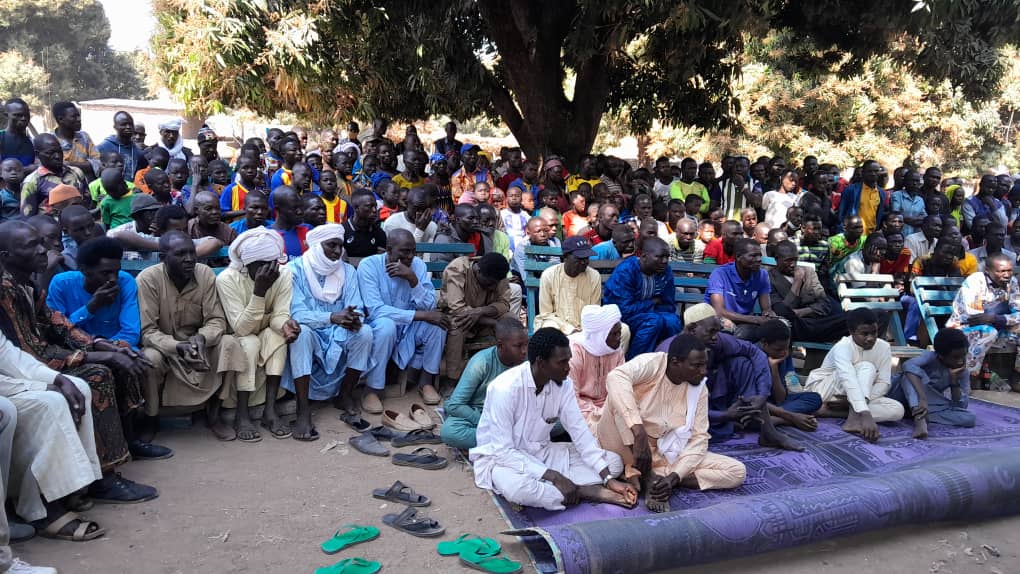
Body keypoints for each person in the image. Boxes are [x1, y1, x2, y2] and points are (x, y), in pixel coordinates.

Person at [0, 221, 160, 502]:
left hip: (37, 361)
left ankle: (121, 450)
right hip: (16, 373)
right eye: (31, 246)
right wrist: (97, 354)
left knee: (119, 359)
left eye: (41, 242)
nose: (43, 250)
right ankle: (104, 479)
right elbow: (29, 350)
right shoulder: (5, 292)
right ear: (6, 256)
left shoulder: (27, 286)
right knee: (98, 374)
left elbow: (58, 325)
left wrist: (103, 344)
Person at [470, 328, 636, 511]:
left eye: (569, 360)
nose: (568, 367)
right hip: (503, 460)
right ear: (541, 363)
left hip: (543, 453)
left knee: (613, 463)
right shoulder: (504, 389)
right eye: (562, 362)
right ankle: (585, 491)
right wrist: (555, 477)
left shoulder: (564, 386)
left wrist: (608, 479)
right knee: (518, 489)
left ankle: (563, 489)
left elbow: (579, 432)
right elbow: (503, 451)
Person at [596, 333, 746, 513]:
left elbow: (699, 438)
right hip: (625, 441)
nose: (704, 371)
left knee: (737, 471)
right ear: (675, 363)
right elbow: (615, 377)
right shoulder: (653, 364)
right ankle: (646, 475)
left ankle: (654, 480)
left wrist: (675, 477)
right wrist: (638, 431)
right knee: (617, 401)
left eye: (705, 364)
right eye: (697, 366)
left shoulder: (699, 389)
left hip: (664, 451)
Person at [136, 231, 245, 441]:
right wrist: (177, 346)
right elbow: (147, 331)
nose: (188, 259)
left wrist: (202, 338)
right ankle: (151, 417)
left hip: (200, 347)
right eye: (180, 254)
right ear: (163, 258)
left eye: (191, 253)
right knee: (149, 358)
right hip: (167, 350)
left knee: (229, 343)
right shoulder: (148, 279)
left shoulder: (204, 274)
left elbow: (216, 320)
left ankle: (214, 414)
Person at [280, 224, 372, 441]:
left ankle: (345, 395)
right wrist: (331, 317)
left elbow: (356, 306)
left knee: (365, 333)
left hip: (339, 330)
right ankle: (303, 410)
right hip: (311, 330)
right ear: (316, 245)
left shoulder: (347, 271)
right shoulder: (294, 270)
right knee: (301, 335)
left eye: (340, 246)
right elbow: (297, 313)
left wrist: (354, 319)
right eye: (331, 245)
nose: (337, 251)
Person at [672, 304, 803, 450]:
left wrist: (762, 395)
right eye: (711, 332)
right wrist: (724, 416)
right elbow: (678, 408)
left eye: (717, 331)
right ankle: (741, 419)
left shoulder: (717, 341)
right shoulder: (672, 355)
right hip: (688, 410)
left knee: (742, 363)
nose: (716, 337)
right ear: (691, 329)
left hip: (715, 396)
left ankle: (767, 430)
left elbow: (755, 352)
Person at [216, 227, 301, 442]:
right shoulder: (227, 279)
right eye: (261, 266)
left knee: (278, 336)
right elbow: (241, 329)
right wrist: (259, 292)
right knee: (250, 342)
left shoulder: (283, 273)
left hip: (265, 330)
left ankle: (270, 411)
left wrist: (286, 325)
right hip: (237, 337)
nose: (269, 270)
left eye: (272, 263)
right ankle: (242, 414)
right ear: (247, 264)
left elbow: (279, 314)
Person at [358, 229, 448, 411]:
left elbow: (429, 306)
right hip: (379, 327)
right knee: (386, 326)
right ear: (389, 250)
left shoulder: (418, 266)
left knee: (438, 325)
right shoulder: (369, 266)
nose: (410, 256)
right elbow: (376, 311)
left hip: (408, 329)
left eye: (413, 251)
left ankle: (426, 381)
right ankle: (372, 390)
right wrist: (421, 316)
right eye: (405, 252)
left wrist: (412, 279)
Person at [804, 308, 905, 442]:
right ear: (851, 332)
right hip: (826, 390)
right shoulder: (843, 346)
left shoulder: (884, 347)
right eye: (864, 334)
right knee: (867, 367)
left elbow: (883, 383)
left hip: (851, 398)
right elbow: (848, 379)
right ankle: (853, 419)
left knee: (897, 410)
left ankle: (831, 412)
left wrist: (859, 403)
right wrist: (864, 411)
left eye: (874, 332)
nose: (870, 338)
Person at [440, 317, 525, 450]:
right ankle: (515, 441)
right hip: (483, 415)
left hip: (516, 416)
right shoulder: (481, 362)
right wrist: (484, 422)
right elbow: (454, 404)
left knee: (559, 422)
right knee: (450, 432)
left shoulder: (527, 362)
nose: (524, 351)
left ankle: (505, 441)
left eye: (526, 345)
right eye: (518, 346)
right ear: (500, 345)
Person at [946, 253, 1020, 391]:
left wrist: (996, 318)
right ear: (988, 271)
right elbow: (975, 317)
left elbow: (1018, 311)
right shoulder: (975, 281)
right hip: (962, 328)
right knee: (988, 332)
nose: (1007, 275)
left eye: (1009, 270)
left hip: (997, 328)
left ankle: (1017, 376)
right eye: (1002, 271)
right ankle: (969, 377)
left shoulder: (1012, 282)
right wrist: (1004, 319)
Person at [438, 253, 513, 381]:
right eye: (490, 283)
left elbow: (504, 304)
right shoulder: (457, 269)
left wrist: (480, 311)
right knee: (458, 325)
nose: (493, 287)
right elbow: (458, 309)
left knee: (512, 322)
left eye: (496, 284)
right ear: (478, 271)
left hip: (485, 315)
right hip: (456, 317)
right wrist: (492, 323)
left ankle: (508, 373)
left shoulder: (498, 273)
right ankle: (452, 380)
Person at [889, 328, 973, 440]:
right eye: (955, 357)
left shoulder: (962, 372)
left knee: (969, 418)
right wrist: (922, 398)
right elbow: (907, 366)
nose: (961, 361)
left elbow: (961, 406)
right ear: (941, 355)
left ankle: (914, 412)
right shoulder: (930, 357)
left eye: (963, 356)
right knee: (909, 376)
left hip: (928, 404)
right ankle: (920, 419)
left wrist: (954, 382)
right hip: (899, 394)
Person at [603, 237, 680, 358]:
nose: (665, 261)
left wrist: (652, 308)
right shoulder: (626, 271)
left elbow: (668, 304)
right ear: (643, 256)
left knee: (673, 321)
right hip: (622, 317)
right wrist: (652, 302)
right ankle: (634, 363)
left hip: (650, 313)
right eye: (659, 257)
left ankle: (667, 362)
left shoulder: (665, 271)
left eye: (667, 257)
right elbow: (623, 310)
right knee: (653, 322)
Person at [768, 240, 845, 342]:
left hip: (817, 323)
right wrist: (797, 282)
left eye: (795, 260)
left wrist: (800, 312)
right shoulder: (769, 278)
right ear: (777, 259)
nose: (793, 264)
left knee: (854, 317)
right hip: (794, 327)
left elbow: (825, 304)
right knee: (784, 321)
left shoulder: (809, 272)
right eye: (788, 260)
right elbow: (781, 311)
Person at [569, 304, 627, 428]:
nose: (618, 338)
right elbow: (571, 399)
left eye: (619, 332)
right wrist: (598, 414)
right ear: (600, 335)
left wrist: (608, 411)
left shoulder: (616, 350)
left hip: (609, 407)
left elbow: (620, 388)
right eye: (614, 334)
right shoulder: (575, 352)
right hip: (580, 409)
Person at [757, 319, 822, 429]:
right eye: (778, 349)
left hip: (778, 404)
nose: (783, 353)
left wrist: (774, 369)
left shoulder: (783, 357)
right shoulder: (752, 358)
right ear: (764, 343)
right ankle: (787, 417)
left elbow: (780, 399)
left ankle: (777, 419)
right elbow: (752, 398)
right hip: (759, 404)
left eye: (786, 348)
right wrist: (792, 416)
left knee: (814, 398)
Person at [705, 238, 775, 340]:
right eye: (753, 255)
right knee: (726, 328)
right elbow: (719, 311)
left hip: (745, 322)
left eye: (760, 255)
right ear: (738, 257)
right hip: (718, 319)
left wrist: (768, 314)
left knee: (780, 327)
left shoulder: (762, 275)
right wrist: (755, 319)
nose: (759, 259)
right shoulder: (720, 274)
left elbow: (766, 308)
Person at [20, 134, 89, 217]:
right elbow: (28, 217)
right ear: (37, 154)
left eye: (59, 151)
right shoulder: (31, 182)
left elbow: (88, 202)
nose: (57, 156)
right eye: (50, 153)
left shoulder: (76, 172)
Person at [51, 101, 99, 180]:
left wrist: (69, 164)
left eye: (78, 116)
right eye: (74, 116)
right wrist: (87, 165)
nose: (79, 119)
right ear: (60, 119)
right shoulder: (50, 141)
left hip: (87, 189)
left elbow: (97, 163)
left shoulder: (84, 137)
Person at [837, 160, 886, 235]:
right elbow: (841, 214)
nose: (873, 174)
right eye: (869, 171)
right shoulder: (851, 190)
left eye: (876, 171)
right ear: (863, 173)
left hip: (871, 235)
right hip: (853, 235)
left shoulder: (881, 192)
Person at [97, 111, 147, 182]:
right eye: (124, 124)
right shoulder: (103, 147)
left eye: (130, 124)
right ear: (115, 127)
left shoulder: (138, 151)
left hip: (132, 190)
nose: (128, 127)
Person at [270, 186, 311, 259]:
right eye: (294, 208)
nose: (300, 212)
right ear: (278, 209)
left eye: (301, 206)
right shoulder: (267, 236)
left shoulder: (308, 230)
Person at [0, 99, 35, 169]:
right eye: (18, 115)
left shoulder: (31, 142)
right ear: (6, 115)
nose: (24, 118)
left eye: (27, 115)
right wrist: (25, 170)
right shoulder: (1, 138)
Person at [890, 169, 927, 236]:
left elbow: (924, 218)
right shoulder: (897, 195)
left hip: (915, 237)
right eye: (912, 180)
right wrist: (916, 220)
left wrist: (906, 218)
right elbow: (896, 215)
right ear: (905, 181)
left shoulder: (920, 200)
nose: (915, 183)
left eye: (917, 181)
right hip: (900, 235)